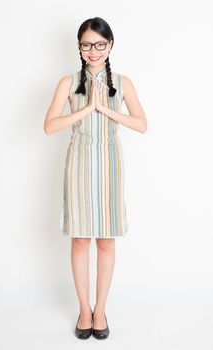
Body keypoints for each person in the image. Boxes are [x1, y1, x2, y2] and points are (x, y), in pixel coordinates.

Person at [44, 17, 147, 340]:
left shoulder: (124, 83)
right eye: (87, 44)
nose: (93, 51)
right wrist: (87, 109)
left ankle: (100, 309)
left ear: (110, 46)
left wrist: (106, 109)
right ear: (79, 47)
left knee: (105, 240)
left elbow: (142, 124)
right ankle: (83, 308)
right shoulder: (68, 82)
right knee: (79, 239)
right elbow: (49, 126)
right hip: (79, 162)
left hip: (110, 164)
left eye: (100, 44)